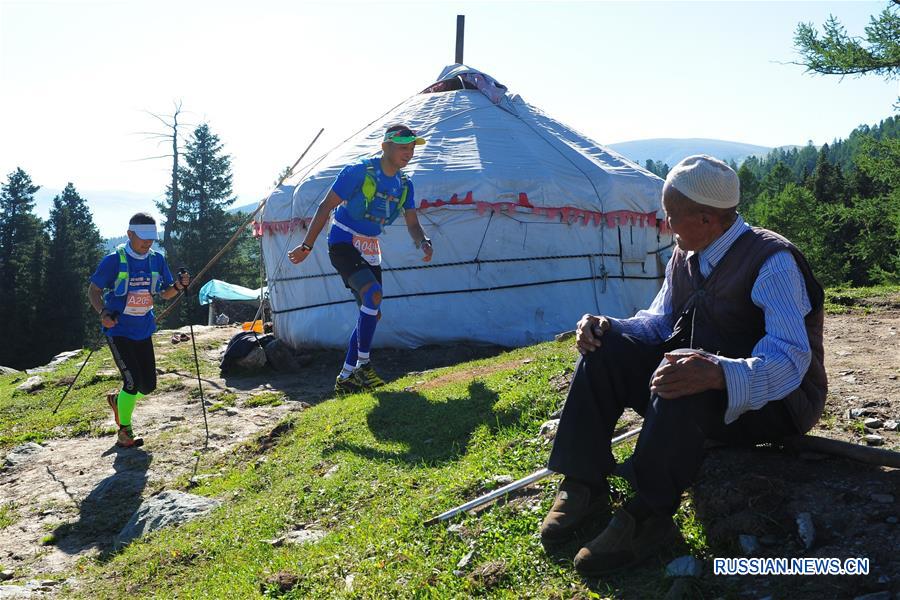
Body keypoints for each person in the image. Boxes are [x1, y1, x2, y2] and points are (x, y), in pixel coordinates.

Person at [540, 155, 826, 576]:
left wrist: (718, 372)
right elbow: (659, 321)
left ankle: (646, 516)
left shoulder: (772, 262)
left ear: (708, 219)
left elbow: (789, 362)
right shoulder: (688, 252)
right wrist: (609, 327)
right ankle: (584, 482)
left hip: (777, 404)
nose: (665, 224)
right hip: (712, 388)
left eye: (672, 216)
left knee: (685, 380)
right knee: (607, 346)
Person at [288, 124, 434, 394]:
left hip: (370, 247)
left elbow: (412, 222)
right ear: (385, 146)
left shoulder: (405, 185)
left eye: (413, 147)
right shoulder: (357, 172)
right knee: (373, 294)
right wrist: (307, 246)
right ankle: (364, 367)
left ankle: (346, 376)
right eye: (404, 147)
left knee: (373, 311)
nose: (410, 152)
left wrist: (422, 241)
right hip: (342, 240)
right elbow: (325, 207)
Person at [87, 213, 190, 448]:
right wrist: (103, 313)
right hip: (119, 330)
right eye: (143, 238)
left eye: (151, 239)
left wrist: (178, 286)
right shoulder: (114, 259)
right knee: (132, 382)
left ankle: (119, 400)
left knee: (148, 386)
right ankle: (125, 431)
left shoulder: (157, 259)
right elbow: (93, 290)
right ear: (130, 234)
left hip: (143, 329)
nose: (148, 243)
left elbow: (164, 293)